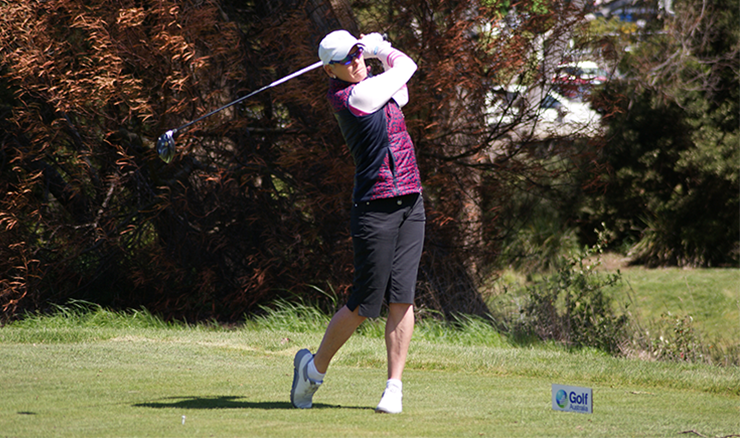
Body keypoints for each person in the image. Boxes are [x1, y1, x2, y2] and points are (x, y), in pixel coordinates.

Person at [290, 30, 425, 414]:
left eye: (357, 53)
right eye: (346, 59)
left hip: (411, 200)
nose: (355, 62)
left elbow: (401, 91)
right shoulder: (354, 97)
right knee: (364, 303)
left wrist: (376, 54)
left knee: (402, 296)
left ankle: (393, 389)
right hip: (375, 207)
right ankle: (312, 370)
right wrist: (381, 47)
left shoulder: (372, 86)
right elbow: (407, 67)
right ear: (329, 70)